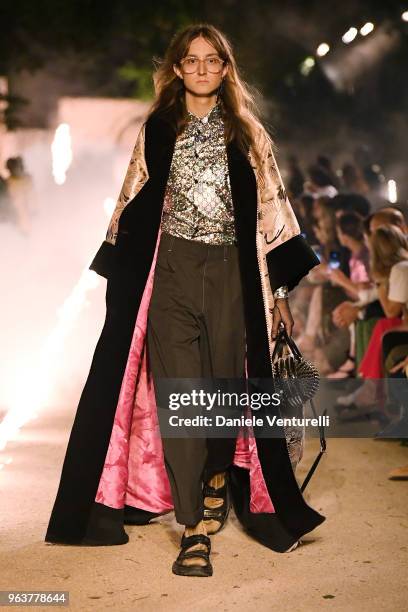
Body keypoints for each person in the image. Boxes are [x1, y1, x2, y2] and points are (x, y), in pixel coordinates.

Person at [45, 23, 324, 577]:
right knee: (179, 398)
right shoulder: (157, 130)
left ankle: (219, 472)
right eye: (190, 61)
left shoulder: (246, 134)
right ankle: (193, 530)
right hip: (170, 270)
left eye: (210, 60)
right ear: (177, 69)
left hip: (231, 276)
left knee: (223, 393)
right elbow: (131, 203)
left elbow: (273, 209)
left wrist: (281, 291)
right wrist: (122, 288)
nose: (200, 69)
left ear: (225, 68)